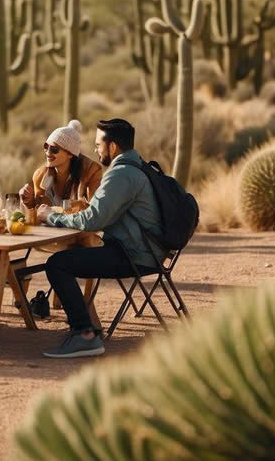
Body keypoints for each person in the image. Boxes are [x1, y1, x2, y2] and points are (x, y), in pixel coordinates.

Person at [35, 118, 166, 359]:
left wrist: (51, 217)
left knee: (58, 264)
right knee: (64, 260)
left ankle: (85, 335)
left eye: (98, 145)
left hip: (134, 255)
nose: (95, 150)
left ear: (112, 147)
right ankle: (85, 331)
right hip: (147, 251)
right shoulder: (139, 166)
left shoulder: (120, 174)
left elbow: (92, 220)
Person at [19, 119, 103, 212]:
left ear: (70, 154)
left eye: (54, 149)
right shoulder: (40, 175)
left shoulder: (92, 171)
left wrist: (60, 209)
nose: (48, 153)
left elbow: (93, 210)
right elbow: (36, 209)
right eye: (46, 147)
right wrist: (28, 200)